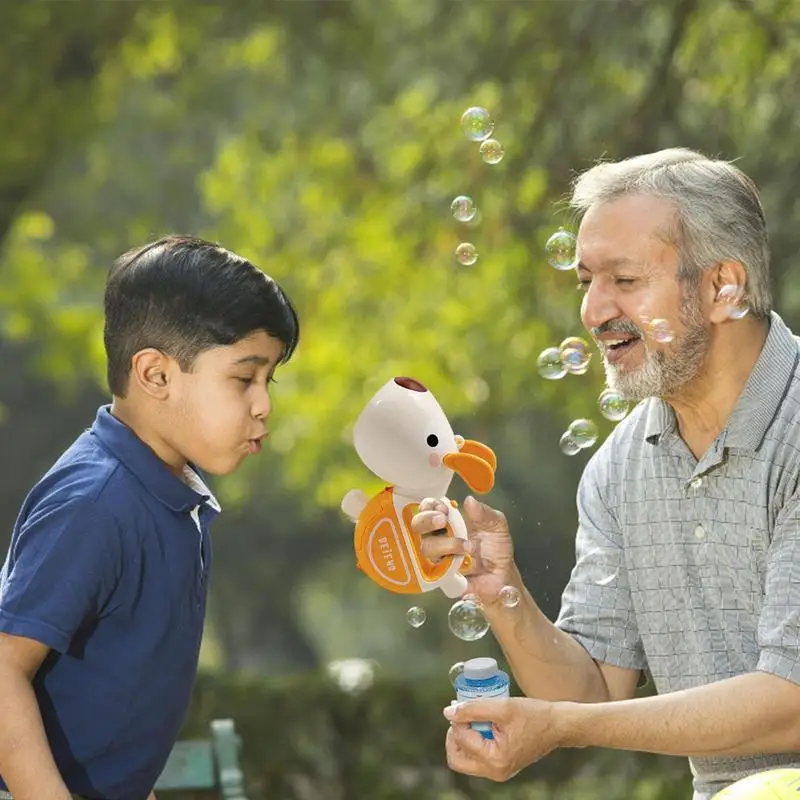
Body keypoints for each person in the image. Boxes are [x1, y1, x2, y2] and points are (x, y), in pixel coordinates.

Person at [412, 148, 800, 800]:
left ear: (721, 287)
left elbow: (791, 700)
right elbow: (593, 693)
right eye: (585, 280)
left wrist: (560, 724)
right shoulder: (619, 468)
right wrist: (503, 595)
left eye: (623, 279)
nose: (593, 311)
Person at [0, 236, 299, 800]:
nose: (264, 406)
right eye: (244, 378)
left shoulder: (169, 493)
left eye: (269, 381)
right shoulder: (94, 501)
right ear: (156, 375)